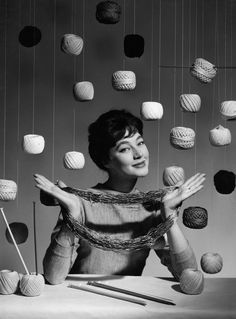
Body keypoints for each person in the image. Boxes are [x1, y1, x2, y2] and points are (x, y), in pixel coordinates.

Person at [34, 109, 205, 285]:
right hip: (82, 301)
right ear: (105, 160)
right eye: (124, 148)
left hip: (127, 306)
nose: (138, 154)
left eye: (140, 143)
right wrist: (72, 217)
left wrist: (169, 216)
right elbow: (53, 277)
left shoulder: (152, 207)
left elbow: (188, 277)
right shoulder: (80, 202)